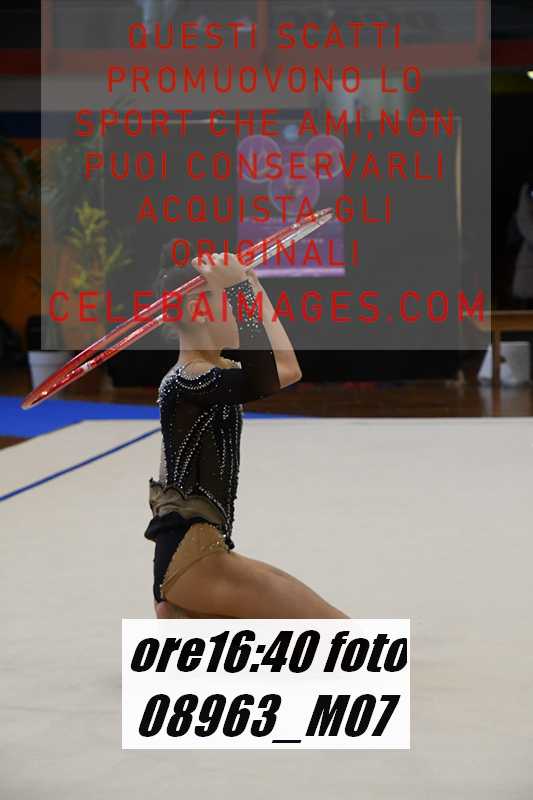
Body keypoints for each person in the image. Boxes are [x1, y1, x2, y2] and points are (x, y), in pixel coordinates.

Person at [145, 241, 349, 619]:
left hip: (202, 555)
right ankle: (182, 615)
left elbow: (287, 368)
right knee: (342, 633)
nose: (242, 314)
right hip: (192, 561)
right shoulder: (189, 380)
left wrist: (252, 288)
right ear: (199, 310)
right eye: (231, 304)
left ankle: (183, 620)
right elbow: (269, 376)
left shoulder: (210, 373)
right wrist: (240, 291)